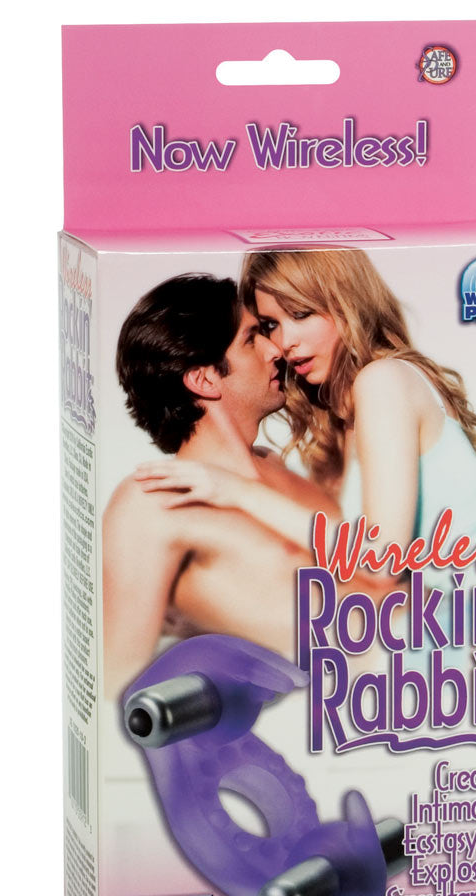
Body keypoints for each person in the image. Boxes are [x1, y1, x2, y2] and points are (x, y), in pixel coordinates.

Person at [136, 249, 476, 602]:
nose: (284, 342)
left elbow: (380, 562)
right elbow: (351, 567)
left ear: (346, 303)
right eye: (271, 324)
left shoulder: (382, 381)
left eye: (301, 314)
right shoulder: (344, 418)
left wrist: (237, 491)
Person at [103, 273, 339, 701]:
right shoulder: (153, 501)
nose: (276, 349)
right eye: (252, 339)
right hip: (321, 711)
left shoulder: (277, 466)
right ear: (204, 380)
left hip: (419, 671)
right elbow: (120, 685)